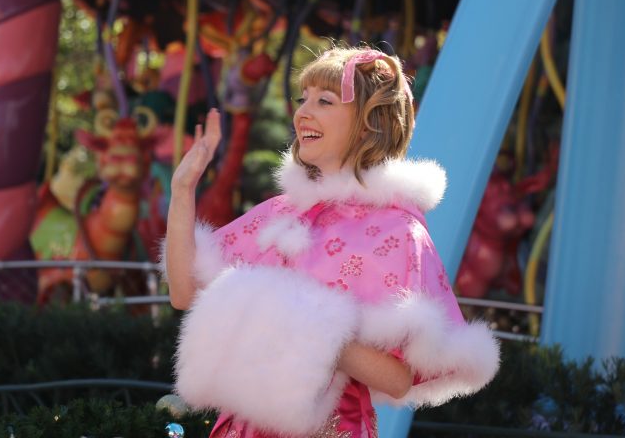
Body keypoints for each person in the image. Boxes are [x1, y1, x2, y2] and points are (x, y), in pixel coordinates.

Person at [162, 46, 499, 438]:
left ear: (369, 123)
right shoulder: (281, 213)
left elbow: (396, 379)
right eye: (303, 99)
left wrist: (305, 321)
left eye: (324, 101)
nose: (303, 113)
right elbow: (184, 293)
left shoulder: (398, 231)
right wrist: (182, 190)